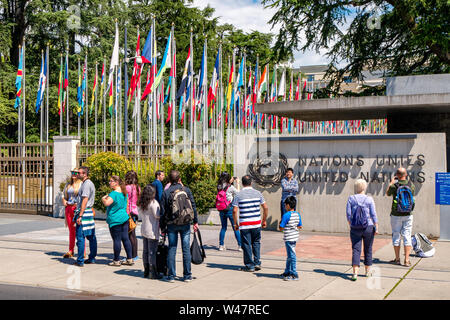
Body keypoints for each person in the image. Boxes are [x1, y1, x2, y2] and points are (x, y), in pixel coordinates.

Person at [160, 170, 199, 282]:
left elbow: (162, 212)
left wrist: (162, 227)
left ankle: (171, 276)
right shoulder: (186, 190)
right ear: (179, 179)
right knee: (185, 248)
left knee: (172, 248)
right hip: (185, 223)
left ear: (169, 180)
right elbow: (193, 206)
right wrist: (195, 221)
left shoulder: (166, 192)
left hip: (171, 224)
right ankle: (187, 275)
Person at [232, 175, 268, 272]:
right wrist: (264, 220)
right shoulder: (258, 193)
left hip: (245, 224)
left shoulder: (238, 195)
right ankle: (257, 262)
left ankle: (249, 265)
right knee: (256, 242)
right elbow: (265, 207)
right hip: (256, 223)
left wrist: (236, 224)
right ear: (251, 183)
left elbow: (235, 211)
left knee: (246, 244)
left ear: (243, 183)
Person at [346, 179, 378, 281]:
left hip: (355, 227)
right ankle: (367, 272)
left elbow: (348, 214)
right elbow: (373, 214)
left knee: (356, 249)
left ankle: (355, 273)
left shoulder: (351, 199)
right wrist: (376, 226)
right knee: (368, 249)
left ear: (355, 187)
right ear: (364, 187)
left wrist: (352, 224)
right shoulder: (369, 199)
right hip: (368, 226)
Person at [102, 175, 134, 267]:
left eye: (111, 181)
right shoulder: (124, 192)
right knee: (125, 238)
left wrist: (103, 198)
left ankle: (116, 260)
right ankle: (129, 259)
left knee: (116, 240)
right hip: (124, 218)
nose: (109, 183)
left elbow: (107, 203)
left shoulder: (113, 194)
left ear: (116, 182)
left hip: (115, 219)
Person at [386, 167, 415, 267]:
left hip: (396, 214)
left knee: (396, 235)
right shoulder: (411, 185)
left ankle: (397, 259)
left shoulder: (394, 186)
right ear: (406, 174)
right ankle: (407, 260)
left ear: (397, 175)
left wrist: (391, 183)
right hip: (408, 214)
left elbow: (387, 193)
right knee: (407, 236)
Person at [74, 166, 97, 267]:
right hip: (88, 212)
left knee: (81, 237)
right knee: (91, 236)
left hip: (85, 212)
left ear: (84, 174)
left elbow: (85, 199)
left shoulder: (87, 184)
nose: (77, 174)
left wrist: (80, 215)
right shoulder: (86, 183)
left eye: (79, 173)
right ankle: (91, 258)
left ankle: (80, 260)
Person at [137, 184, 161, 279]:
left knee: (145, 251)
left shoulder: (141, 203)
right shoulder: (153, 203)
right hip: (152, 229)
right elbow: (157, 215)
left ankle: (146, 270)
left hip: (144, 229)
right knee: (152, 252)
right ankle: (152, 272)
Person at [279, 196, 302, 281]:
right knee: (289, 256)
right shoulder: (297, 214)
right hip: (294, 237)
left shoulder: (286, 215)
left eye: (285, 205)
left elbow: (281, 227)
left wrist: (281, 226)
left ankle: (294, 274)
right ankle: (287, 271)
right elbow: (300, 226)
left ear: (288, 205)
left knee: (292, 256)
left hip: (288, 238)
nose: (284, 206)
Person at [216, 172, 241, 251]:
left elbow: (225, 187)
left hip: (221, 209)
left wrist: (230, 181)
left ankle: (221, 245)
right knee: (235, 227)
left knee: (223, 228)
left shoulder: (219, 186)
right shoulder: (231, 187)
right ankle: (240, 246)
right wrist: (237, 183)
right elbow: (238, 194)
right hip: (229, 209)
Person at [61, 168, 82, 259]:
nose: (73, 174)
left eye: (76, 173)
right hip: (68, 208)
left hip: (77, 208)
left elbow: (84, 197)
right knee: (71, 230)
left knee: (79, 230)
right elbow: (63, 195)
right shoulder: (68, 184)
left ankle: (82, 251)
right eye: (72, 172)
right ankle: (71, 250)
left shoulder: (81, 184)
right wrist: (64, 201)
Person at [125, 170, 140, 261]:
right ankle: (135, 255)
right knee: (133, 234)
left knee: (128, 235)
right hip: (135, 211)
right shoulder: (137, 187)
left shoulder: (127, 188)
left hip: (128, 212)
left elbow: (126, 200)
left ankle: (131, 255)